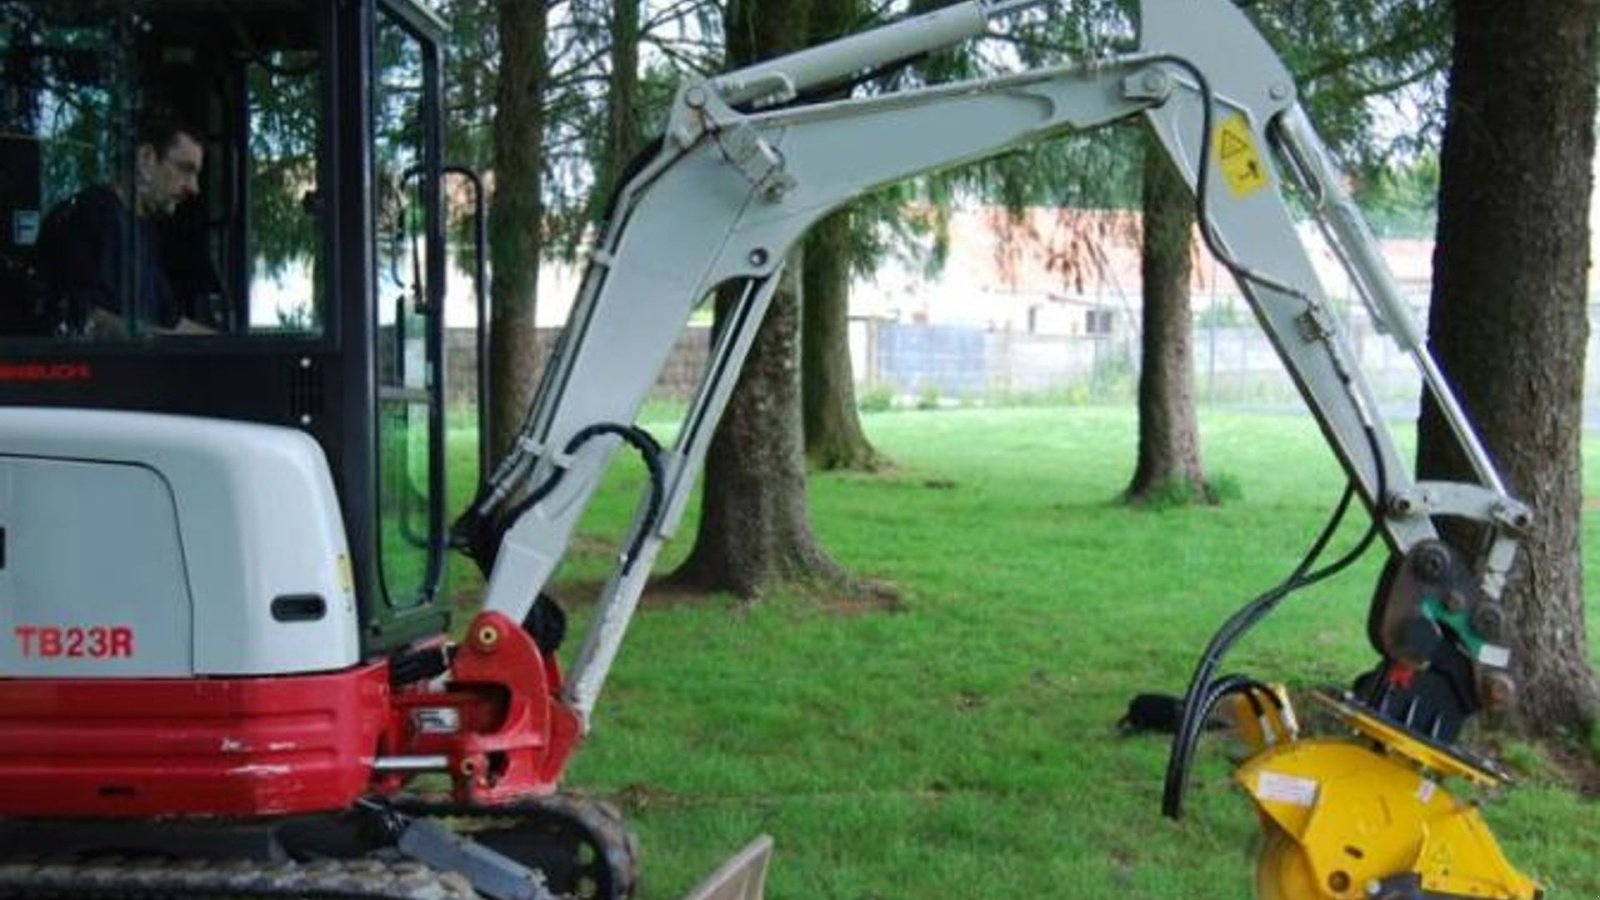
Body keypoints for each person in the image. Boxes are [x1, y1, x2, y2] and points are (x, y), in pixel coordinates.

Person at [36, 107, 211, 337]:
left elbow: (173, 323)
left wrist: (235, 352)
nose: (194, 188)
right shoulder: (90, 216)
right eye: (185, 170)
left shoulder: (143, 230)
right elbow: (89, 322)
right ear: (146, 159)